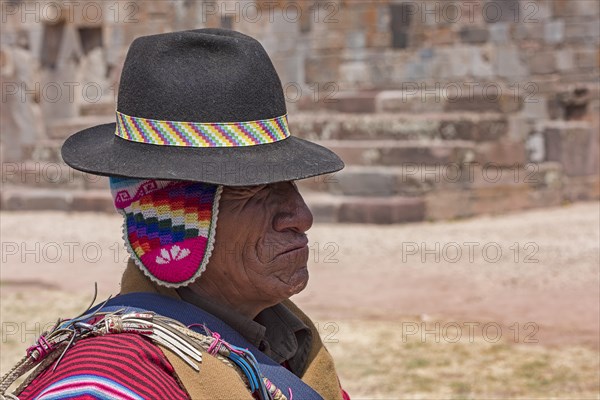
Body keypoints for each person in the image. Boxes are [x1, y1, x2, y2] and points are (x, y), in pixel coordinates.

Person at [0, 29, 349, 399]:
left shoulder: (295, 349)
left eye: (291, 184)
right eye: (257, 190)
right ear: (176, 223)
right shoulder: (107, 383)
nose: (302, 216)